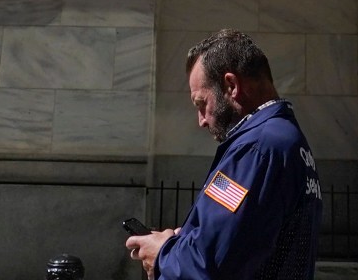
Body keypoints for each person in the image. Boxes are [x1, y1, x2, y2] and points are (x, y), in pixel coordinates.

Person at [127, 30, 321, 280]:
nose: (201, 121)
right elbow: (237, 243)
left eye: (201, 103)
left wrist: (162, 254)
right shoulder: (284, 139)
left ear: (231, 86)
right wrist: (180, 242)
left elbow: (211, 265)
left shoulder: (258, 147)